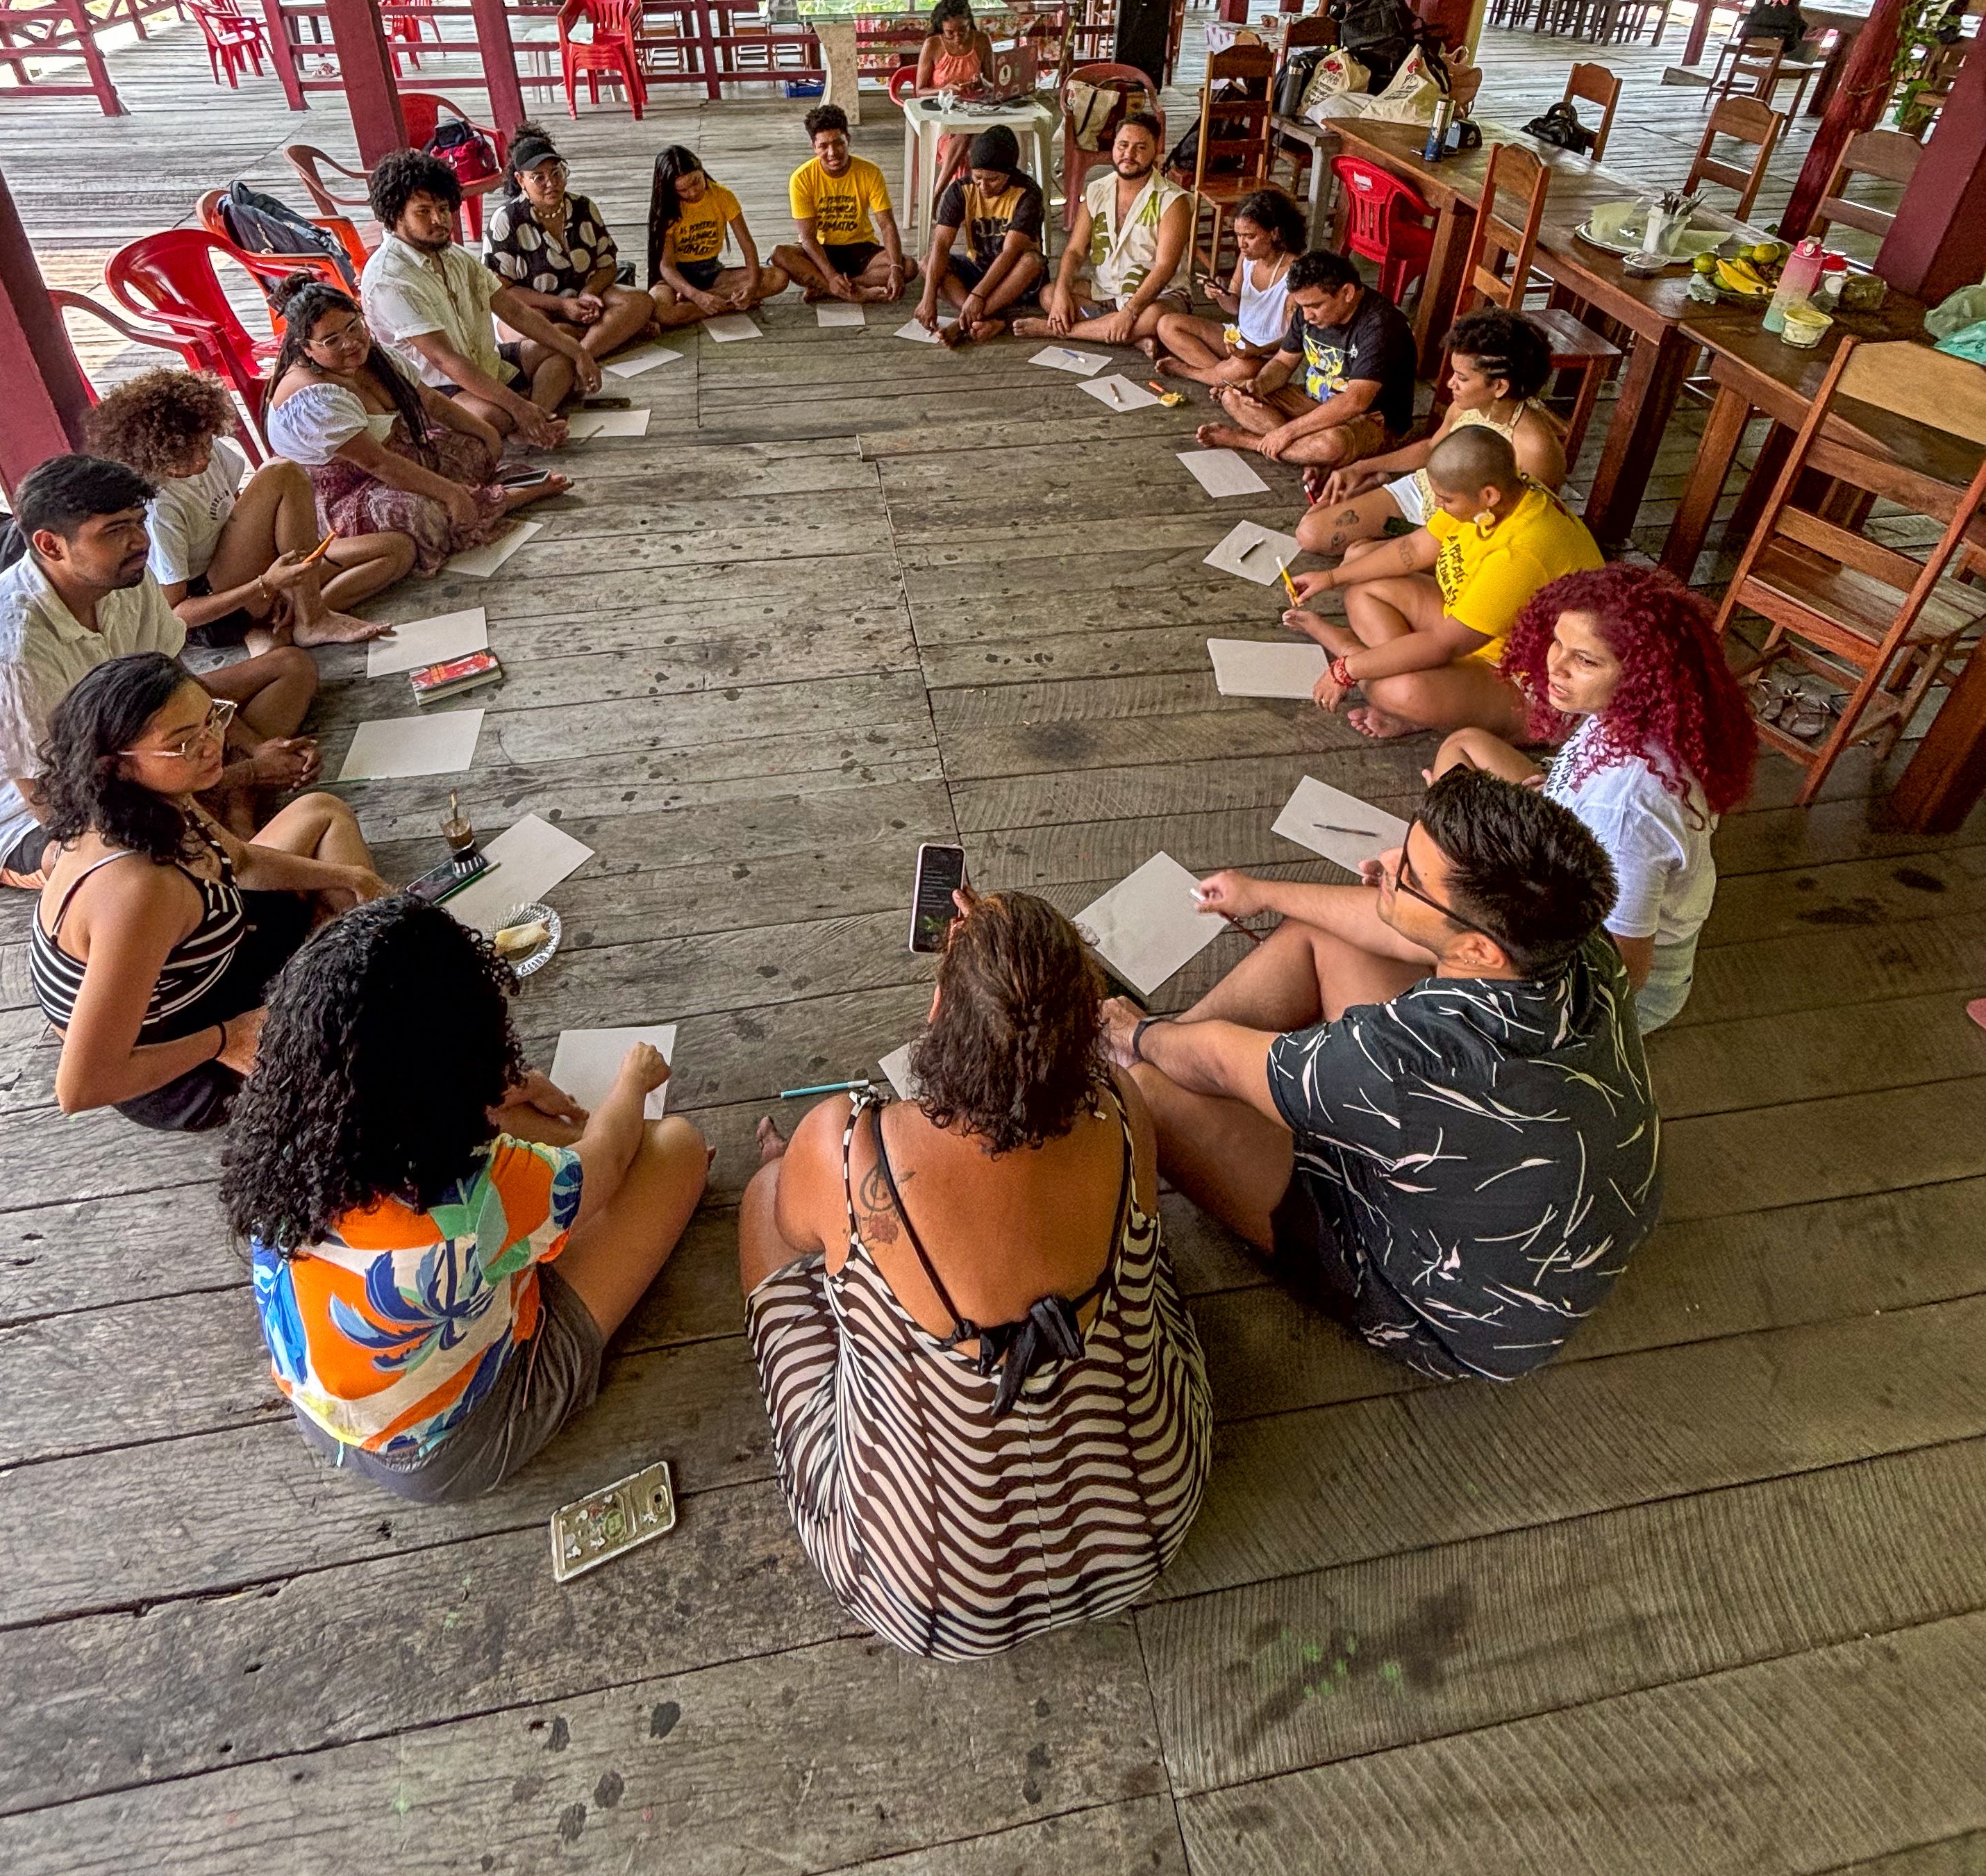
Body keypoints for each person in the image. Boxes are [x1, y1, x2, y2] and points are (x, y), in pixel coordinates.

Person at [742, 886, 1211, 1660]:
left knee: (769, 1204)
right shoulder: (1123, 1108)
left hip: (927, 1595)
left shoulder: (850, 1148)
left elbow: (795, 1235)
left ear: (937, 1015)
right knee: (1141, 1262)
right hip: (1149, 1521)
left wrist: (802, 1179)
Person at [1101, 767, 1660, 1383]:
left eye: (1411, 878)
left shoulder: (1399, 1063)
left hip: (1446, 1317)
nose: (1384, 863)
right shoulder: (1577, 943)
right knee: (1325, 934)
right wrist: (1263, 892)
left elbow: (1218, 1059)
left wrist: (1139, 1034)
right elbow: (1380, 926)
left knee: (1146, 1089)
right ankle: (1159, 1060)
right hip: (1545, 1237)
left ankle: (1139, 1068)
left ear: (1479, 952)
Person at [226, 895, 710, 1502]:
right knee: (677, 1148)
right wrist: (632, 1080)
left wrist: (491, 1095)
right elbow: (608, 1162)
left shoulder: (289, 1141)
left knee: (536, 1173)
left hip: (330, 1418)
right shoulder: (479, 1195)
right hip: (454, 1449)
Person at [0, 455, 317, 890]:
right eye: (114, 531)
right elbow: (56, 804)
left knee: (289, 668)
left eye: (138, 522)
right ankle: (229, 797)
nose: (138, 541)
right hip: (10, 816)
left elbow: (175, 684)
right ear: (52, 546)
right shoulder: (10, 655)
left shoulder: (124, 576)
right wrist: (245, 772)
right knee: (131, 860)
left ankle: (223, 793)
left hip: (126, 738)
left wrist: (256, 748)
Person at [31, 654, 385, 1131]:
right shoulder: (141, 889)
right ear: (115, 767)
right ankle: (360, 954)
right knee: (392, 1035)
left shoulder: (151, 804)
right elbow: (80, 1087)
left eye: (211, 719)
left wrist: (350, 879)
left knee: (320, 811)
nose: (211, 745)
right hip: (182, 1060)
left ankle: (360, 940)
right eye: (182, 744)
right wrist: (227, 1037)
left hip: (205, 967)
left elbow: (241, 861)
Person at [1430, 563, 1758, 1034]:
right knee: (1466, 745)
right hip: (1573, 854)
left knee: (1421, 927)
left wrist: (1495, 884)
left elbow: (1621, 975)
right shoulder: (1629, 718)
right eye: (1557, 641)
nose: (1555, 664)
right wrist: (1551, 802)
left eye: (1585, 660)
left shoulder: (1625, 815)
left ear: (1642, 677)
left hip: (1604, 981)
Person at [1284, 422, 1601, 741]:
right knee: (1364, 592)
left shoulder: (1521, 554)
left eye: (1446, 499)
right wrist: (1330, 577)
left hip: (1530, 683)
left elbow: (1443, 644)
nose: (1439, 507)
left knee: (1397, 691)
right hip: (1474, 633)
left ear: (1488, 495)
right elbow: (1415, 548)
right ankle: (1424, 695)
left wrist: (1347, 670)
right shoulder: (1497, 495)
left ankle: (1355, 654)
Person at [264, 281, 569, 579]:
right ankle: (504, 498)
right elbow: (376, 462)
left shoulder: (374, 356)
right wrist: (450, 493)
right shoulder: (311, 398)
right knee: (422, 513)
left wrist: (486, 433)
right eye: (331, 341)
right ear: (306, 349)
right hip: (345, 492)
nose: (350, 342)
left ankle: (476, 498)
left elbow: (432, 401)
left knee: (474, 448)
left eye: (353, 326)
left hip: (398, 454)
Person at [84, 368, 401, 645]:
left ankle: (301, 611)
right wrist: (263, 585)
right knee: (282, 472)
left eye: (206, 444)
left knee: (396, 549)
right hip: (214, 601)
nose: (202, 458)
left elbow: (238, 511)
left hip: (251, 569)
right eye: (187, 455)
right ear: (155, 455)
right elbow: (178, 614)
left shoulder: (208, 452)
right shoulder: (160, 507)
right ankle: (311, 617)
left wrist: (281, 571)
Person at [1294, 306, 1567, 562]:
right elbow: (1431, 449)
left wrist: (1420, 542)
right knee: (1311, 532)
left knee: (1358, 555)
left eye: (1462, 378)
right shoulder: (1465, 407)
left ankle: (1388, 527)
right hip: (1427, 493)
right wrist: (1361, 467)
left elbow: (1519, 530)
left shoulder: (1535, 449)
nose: (1451, 384)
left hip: (1471, 533)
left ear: (1499, 386)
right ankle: (1376, 492)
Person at [359, 147, 594, 445]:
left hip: (486, 363)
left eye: (443, 210)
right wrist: (518, 406)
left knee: (560, 351)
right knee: (493, 417)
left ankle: (534, 420)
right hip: (437, 387)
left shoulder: (455, 255)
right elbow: (445, 361)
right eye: (423, 212)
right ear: (395, 217)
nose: (438, 220)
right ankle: (524, 417)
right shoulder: (388, 279)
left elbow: (516, 312)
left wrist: (578, 351)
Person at [1196, 248, 1417, 472]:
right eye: (1302, 306)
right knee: (1233, 398)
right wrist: (1259, 386)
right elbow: (1283, 363)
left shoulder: (1381, 326)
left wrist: (1287, 433)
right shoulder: (1306, 311)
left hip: (1370, 418)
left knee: (1330, 446)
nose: (1307, 315)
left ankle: (1248, 441)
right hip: (1314, 401)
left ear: (1347, 293)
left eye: (1315, 306)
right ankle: (1303, 452)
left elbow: (1355, 401)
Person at [483, 128, 660, 369]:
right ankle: (597, 337)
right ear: (520, 180)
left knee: (641, 303)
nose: (551, 183)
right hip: (537, 307)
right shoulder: (506, 220)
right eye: (539, 178)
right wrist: (560, 306)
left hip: (583, 301)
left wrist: (589, 293)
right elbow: (502, 291)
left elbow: (607, 265)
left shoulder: (582, 207)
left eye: (556, 173)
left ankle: (583, 353)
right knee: (526, 334)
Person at [1017, 110, 1192, 350]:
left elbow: (1165, 268)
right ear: (1113, 146)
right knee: (1050, 294)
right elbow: (1076, 251)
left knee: (1153, 319)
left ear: (1156, 151)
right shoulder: (1097, 190)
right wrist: (1061, 294)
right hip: (1106, 290)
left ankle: (1064, 331)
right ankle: (1127, 335)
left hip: (1158, 296)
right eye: (1123, 145)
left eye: (1140, 148)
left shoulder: (1173, 200)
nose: (1129, 154)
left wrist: (1130, 312)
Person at [1154, 188, 1308, 394]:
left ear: (1275, 233)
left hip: (1267, 355)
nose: (1242, 245)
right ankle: (1221, 377)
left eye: (1250, 237)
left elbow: (1292, 340)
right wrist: (1221, 295)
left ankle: (1194, 372)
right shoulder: (1247, 259)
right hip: (1240, 337)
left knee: (1242, 367)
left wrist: (1258, 350)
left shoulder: (1294, 272)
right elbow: (1234, 307)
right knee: (1167, 325)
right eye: (1238, 236)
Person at [915, 125, 1046, 345]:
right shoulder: (961, 190)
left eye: (993, 179)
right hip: (977, 267)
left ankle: (962, 322)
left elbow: (1010, 252)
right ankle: (985, 318)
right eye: (977, 178)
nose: (983, 186)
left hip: (1014, 274)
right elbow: (941, 244)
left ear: (1009, 172)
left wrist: (977, 296)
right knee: (927, 263)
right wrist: (928, 298)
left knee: (1031, 262)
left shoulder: (1028, 194)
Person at [774, 104, 916, 305]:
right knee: (779, 254)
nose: (833, 153)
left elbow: (887, 224)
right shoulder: (801, 178)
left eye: (838, 143)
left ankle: (832, 288)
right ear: (813, 147)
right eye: (823, 146)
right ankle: (850, 291)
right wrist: (831, 275)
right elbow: (807, 238)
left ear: (848, 139)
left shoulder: (870, 172)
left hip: (861, 249)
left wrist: (895, 270)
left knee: (907, 266)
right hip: (822, 249)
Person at [645, 143, 791, 326]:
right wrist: (695, 295)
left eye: (696, 182)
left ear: (701, 167)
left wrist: (752, 287)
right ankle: (725, 306)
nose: (693, 192)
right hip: (676, 279)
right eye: (683, 190)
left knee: (779, 278)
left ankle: (702, 306)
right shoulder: (668, 210)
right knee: (662, 311)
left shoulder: (722, 196)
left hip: (713, 274)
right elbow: (667, 267)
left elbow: (747, 246)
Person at [914, 0, 998, 194]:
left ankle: (947, 197)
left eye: (963, 30)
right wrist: (945, 90)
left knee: (979, 146)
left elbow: (995, 84)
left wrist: (981, 84)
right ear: (941, 29)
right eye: (950, 33)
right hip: (944, 119)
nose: (958, 37)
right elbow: (920, 91)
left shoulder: (981, 41)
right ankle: (945, 196)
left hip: (977, 116)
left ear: (971, 24)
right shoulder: (933, 45)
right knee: (964, 140)